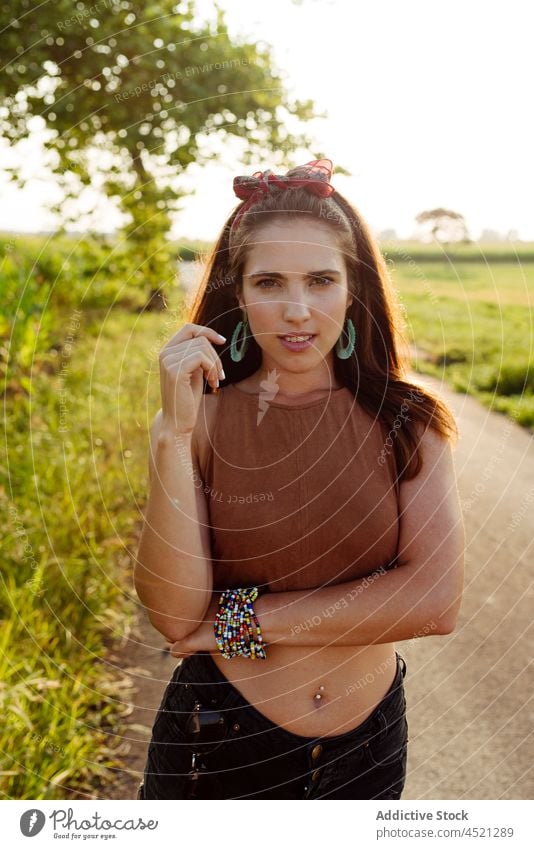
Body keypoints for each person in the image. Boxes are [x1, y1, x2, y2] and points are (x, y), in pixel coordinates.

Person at [134, 158, 465, 800]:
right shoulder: (194, 420)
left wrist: (231, 621)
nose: (296, 310)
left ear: (353, 289)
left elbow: (434, 602)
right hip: (219, 739)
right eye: (268, 282)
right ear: (239, 292)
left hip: (369, 747)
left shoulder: (410, 422)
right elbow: (175, 618)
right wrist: (172, 435)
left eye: (320, 280)